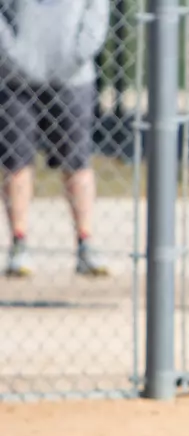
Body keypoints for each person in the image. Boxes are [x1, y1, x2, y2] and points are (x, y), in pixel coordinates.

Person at [0, 0, 111, 277]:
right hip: (16, 80)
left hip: (74, 78)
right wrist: (13, 58)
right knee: (16, 163)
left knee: (77, 163)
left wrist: (74, 57)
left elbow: (96, 15)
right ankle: (20, 244)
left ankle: (86, 244)